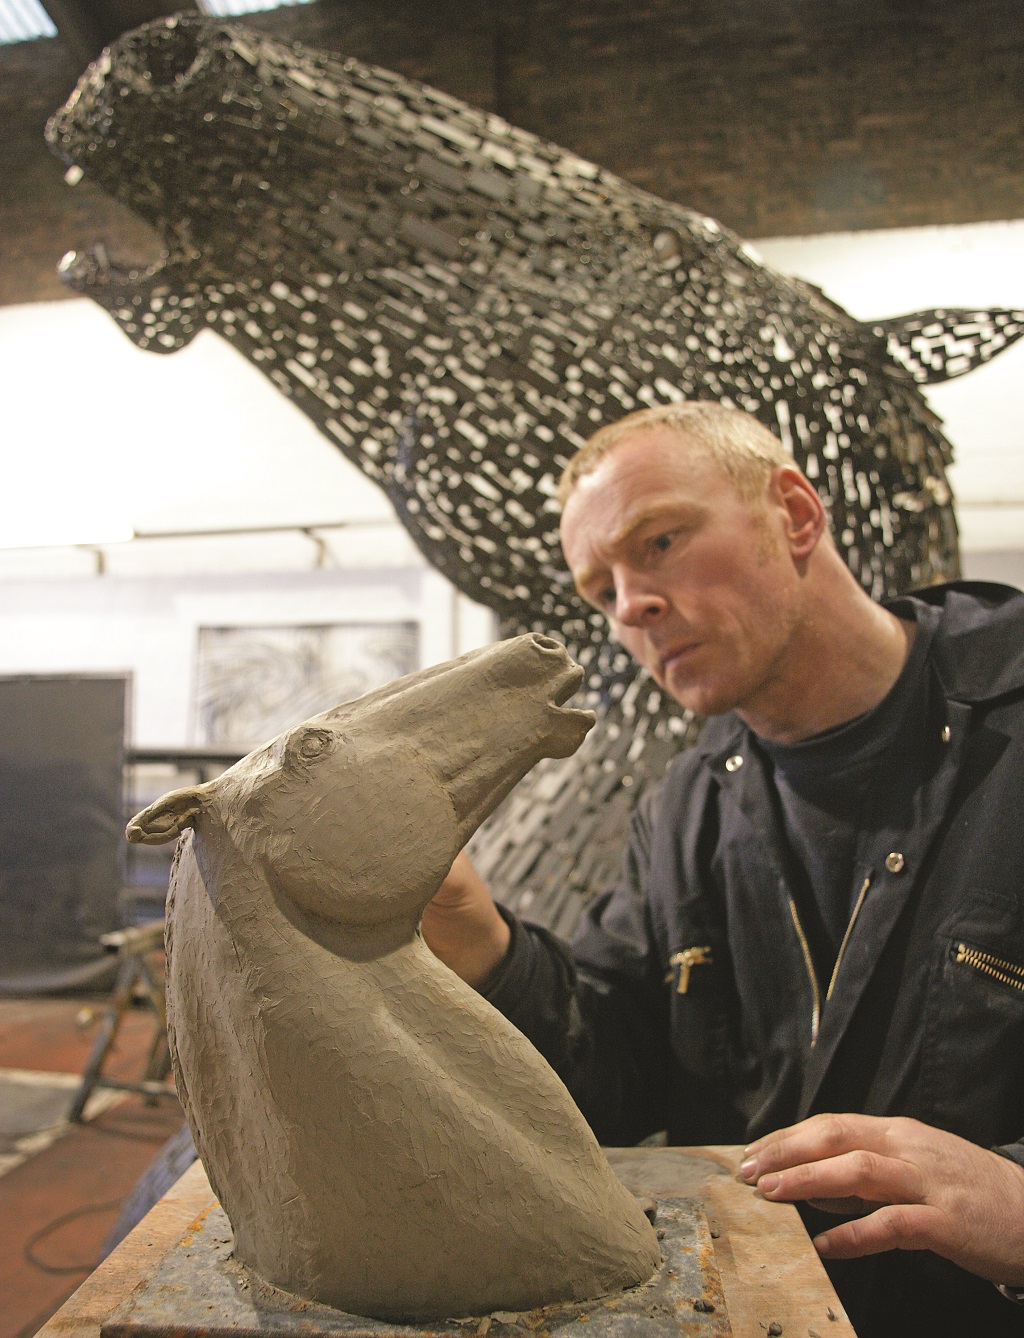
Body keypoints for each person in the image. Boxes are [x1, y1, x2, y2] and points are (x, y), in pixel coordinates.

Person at [421, 401, 1024, 1338]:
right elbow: (605, 1076)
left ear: (794, 515)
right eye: (600, 589)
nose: (630, 607)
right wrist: (474, 933)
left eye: (658, 542)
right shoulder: (683, 813)